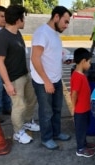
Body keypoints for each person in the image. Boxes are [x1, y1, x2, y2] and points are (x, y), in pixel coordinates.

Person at [0, 5, 40, 144]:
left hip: (24, 74)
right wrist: (7, 84)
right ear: (17, 20)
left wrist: (28, 72)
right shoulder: (2, 36)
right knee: (18, 105)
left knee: (32, 100)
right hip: (13, 79)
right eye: (23, 18)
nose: (24, 21)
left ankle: (27, 122)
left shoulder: (17, 33)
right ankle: (18, 132)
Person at [30, 6, 72, 150]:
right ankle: (46, 138)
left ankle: (56, 133)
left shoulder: (54, 34)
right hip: (43, 82)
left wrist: (64, 59)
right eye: (65, 22)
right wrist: (47, 81)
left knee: (57, 109)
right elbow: (35, 58)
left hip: (56, 79)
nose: (66, 25)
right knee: (46, 111)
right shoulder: (42, 33)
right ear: (56, 17)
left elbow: (52, 54)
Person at [70, 48, 95, 157]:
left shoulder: (81, 74)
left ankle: (84, 143)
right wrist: (73, 107)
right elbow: (74, 93)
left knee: (84, 127)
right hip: (80, 110)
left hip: (85, 108)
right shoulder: (77, 76)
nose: (90, 64)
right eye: (89, 62)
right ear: (83, 61)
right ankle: (80, 149)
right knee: (80, 129)